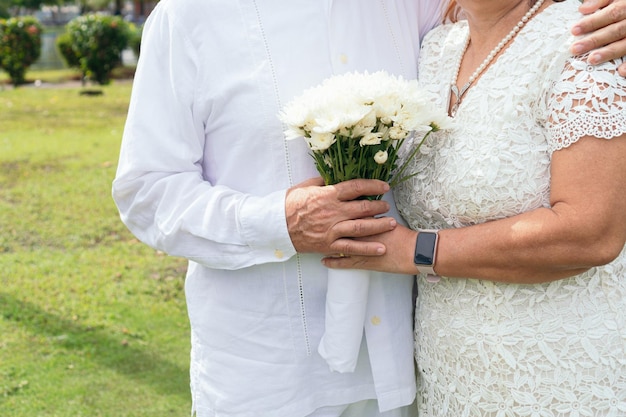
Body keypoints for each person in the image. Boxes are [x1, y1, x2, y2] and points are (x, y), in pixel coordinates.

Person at [112, 0, 626, 416]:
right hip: (270, 374)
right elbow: (148, 189)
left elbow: (520, 27)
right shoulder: (189, 17)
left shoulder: (416, 8)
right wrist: (280, 222)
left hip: (406, 374)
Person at [323, 0, 626, 416]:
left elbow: (591, 232)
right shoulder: (436, 50)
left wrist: (415, 250)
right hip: (453, 380)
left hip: (560, 374)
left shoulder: (586, 40)